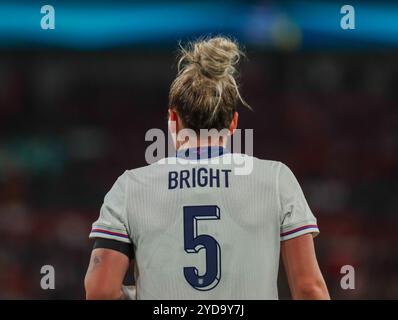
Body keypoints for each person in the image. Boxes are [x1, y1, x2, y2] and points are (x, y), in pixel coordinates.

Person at [84, 36, 330, 300]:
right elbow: (308, 289)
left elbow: (101, 292)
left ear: (173, 120)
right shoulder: (277, 179)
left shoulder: (130, 187)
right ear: (233, 123)